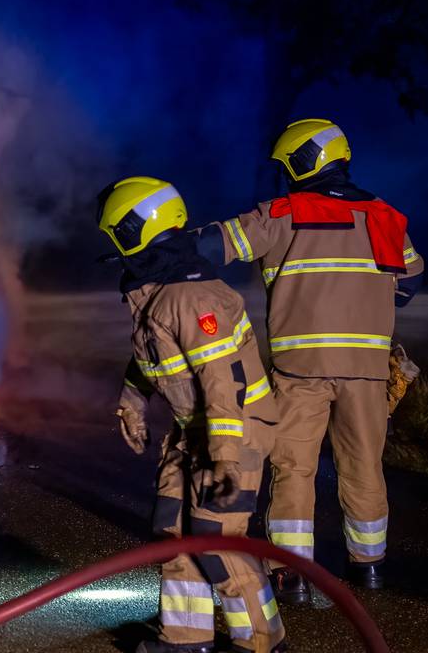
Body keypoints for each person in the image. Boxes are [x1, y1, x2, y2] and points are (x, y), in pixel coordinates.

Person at [197, 119, 423, 600]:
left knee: (294, 468)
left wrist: (162, 248)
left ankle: (293, 575)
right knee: (364, 466)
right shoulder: (384, 216)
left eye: (288, 165)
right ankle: (370, 569)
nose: (287, 174)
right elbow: (410, 284)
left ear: (304, 161)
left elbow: (214, 246)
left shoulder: (282, 213)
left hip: (300, 371)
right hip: (366, 371)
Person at [100, 177, 287, 653]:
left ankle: (262, 641)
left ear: (136, 230)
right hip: (194, 433)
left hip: (234, 432)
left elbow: (223, 384)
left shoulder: (191, 298)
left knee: (215, 538)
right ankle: (186, 639)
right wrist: (132, 399)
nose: (114, 248)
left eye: (116, 235)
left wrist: (224, 458)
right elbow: (154, 358)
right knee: (173, 530)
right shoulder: (158, 294)